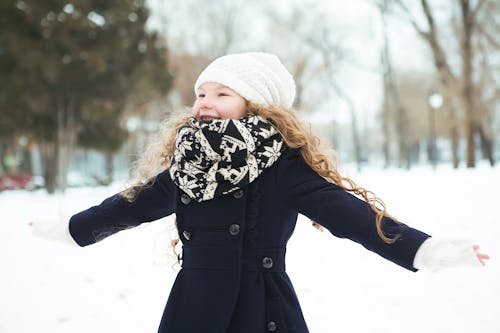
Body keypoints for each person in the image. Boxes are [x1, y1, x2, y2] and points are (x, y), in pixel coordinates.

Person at [33, 52, 490, 333]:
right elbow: (132, 204)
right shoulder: (189, 166)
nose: (204, 103)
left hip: (261, 305)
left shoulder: (282, 167)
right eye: (201, 93)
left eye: (221, 94)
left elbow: (348, 214)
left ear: (255, 104)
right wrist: (74, 229)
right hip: (193, 305)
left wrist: (421, 249)